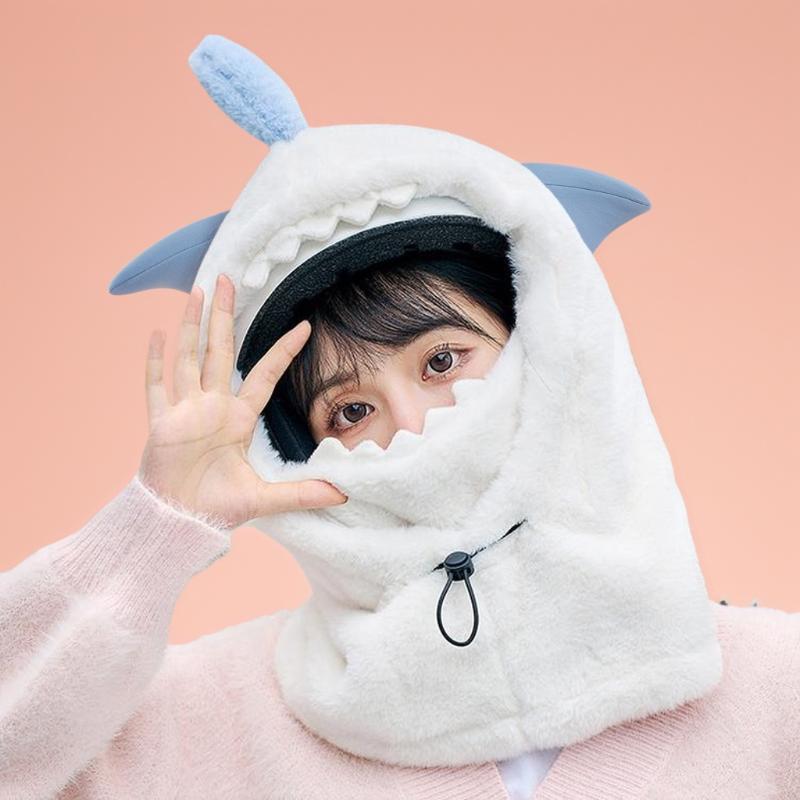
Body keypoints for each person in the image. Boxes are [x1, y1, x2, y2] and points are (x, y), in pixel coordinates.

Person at [2, 32, 798, 800]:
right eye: (351, 410)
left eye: (444, 361)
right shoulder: (208, 722)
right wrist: (151, 533)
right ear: (295, 450)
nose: (413, 427)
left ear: (548, 343)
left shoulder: (772, 691)